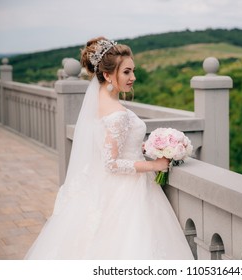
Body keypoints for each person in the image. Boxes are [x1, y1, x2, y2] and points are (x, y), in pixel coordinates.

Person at [25, 37, 194, 260]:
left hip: (103, 185)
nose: (133, 77)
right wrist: (154, 164)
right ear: (107, 75)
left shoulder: (99, 101)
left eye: (133, 71)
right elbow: (111, 163)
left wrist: (142, 145)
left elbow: (106, 143)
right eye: (126, 72)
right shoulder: (117, 114)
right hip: (128, 191)